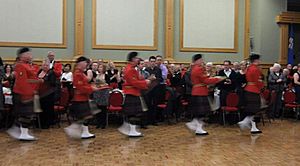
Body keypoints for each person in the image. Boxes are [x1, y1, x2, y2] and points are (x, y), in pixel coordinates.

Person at [7, 47, 42, 141]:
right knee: (25, 113)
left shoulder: (29, 65)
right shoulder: (20, 65)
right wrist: (28, 94)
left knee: (27, 114)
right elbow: (22, 82)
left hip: (29, 93)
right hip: (23, 93)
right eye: (28, 54)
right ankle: (21, 132)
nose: (31, 55)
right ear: (22, 56)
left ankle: (22, 132)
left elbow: (31, 79)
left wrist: (38, 82)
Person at [186, 54, 225, 135]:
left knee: (200, 112)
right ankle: (194, 124)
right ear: (197, 60)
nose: (202, 61)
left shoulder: (194, 69)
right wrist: (218, 79)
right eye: (201, 59)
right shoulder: (199, 69)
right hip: (200, 91)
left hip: (196, 91)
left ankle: (198, 128)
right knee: (202, 111)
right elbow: (206, 80)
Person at [118, 52, 155, 137]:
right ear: (132, 59)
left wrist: (146, 80)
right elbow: (134, 82)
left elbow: (137, 79)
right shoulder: (130, 69)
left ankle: (131, 130)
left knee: (134, 113)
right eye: (136, 58)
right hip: (132, 93)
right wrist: (146, 82)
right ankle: (130, 129)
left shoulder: (131, 68)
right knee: (134, 113)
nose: (138, 59)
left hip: (133, 92)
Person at [64, 56, 101, 139]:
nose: (86, 64)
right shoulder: (77, 73)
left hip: (83, 97)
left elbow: (85, 84)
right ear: (80, 63)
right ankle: (73, 129)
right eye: (85, 63)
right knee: (85, 116)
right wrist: (91, 88)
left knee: (86, 116)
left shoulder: (81, 73)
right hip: (79, 98)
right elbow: (80, 87)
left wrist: (91, 85)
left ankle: (85, 132)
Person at [238, 54, 264, 134]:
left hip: (248, 89)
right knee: (254, 109)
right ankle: (245, 122)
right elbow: (257, 81)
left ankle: (253, 127)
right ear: (256, 60)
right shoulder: (256, 69)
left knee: (252, 109)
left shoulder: (249, 68)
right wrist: (262, 86)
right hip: (254, 90)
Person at [37, 60, 57, 129]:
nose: (45, 66)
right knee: (40, 108)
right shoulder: (39, 71)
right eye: (44, 65)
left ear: (49, 66)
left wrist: (44, 81)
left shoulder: (51, 72)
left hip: (48, 94)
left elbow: (52, 83)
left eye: (46, 65)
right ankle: (39, 123)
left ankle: (46, 123)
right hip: (39, 93)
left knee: (47, 109)